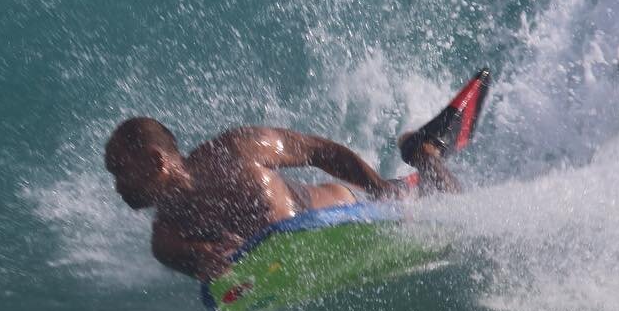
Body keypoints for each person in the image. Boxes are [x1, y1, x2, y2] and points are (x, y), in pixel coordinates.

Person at [103, 118, 458, 283]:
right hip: (293, 257)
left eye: (120, 171)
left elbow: (317, 151)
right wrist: (207, 263)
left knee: (451, 203)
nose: (117, 186)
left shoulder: (237, 151)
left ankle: (424, 152)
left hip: (350, 210)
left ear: (155, 160)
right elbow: (199, 265)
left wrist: (378, 187)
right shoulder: (166, 237)